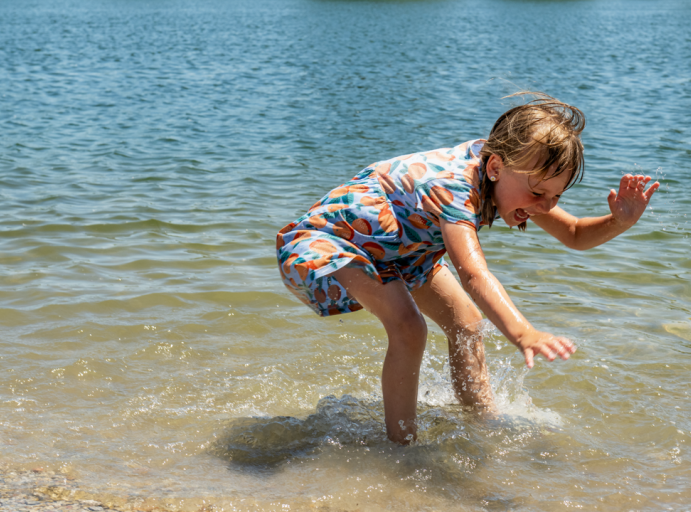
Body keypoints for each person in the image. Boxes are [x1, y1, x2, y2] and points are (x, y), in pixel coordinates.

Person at [275, 93, 659, 444]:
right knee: (409, 327)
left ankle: (483, 424)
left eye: (555, 196)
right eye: (538, 193)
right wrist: (522, 332)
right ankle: (401, 447)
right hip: (333, 240)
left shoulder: (513, 172)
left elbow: (574, 234)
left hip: (400, 252)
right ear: (495, 167)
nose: (545, 205)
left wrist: (620, 222)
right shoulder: (457, 189)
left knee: (467, 323)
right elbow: (474, 275)